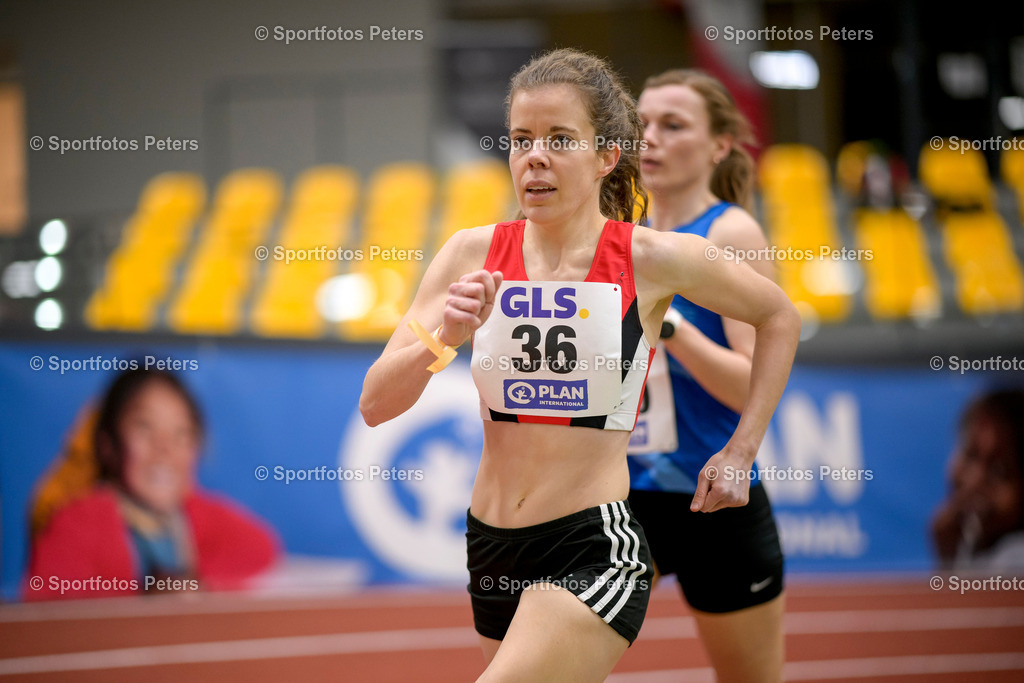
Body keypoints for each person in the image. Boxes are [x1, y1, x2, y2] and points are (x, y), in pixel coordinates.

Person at [359, 49, 799, 682]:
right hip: (491, 544)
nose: (534, 156)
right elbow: (376, 404)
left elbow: (780, 317)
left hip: (593, 546)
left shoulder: (651, 258)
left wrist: (740, 452)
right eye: (520, 140)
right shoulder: (470, 253)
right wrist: (446, 337)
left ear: (606, 157)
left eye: (560, 139)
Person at [627, 68, 786, 683]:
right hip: (618, 496)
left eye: (672, 125)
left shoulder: (729, 232)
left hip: (710, 496)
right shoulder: (619, 234)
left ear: (720, 145)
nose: (650, 139)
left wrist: (671, 330)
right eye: (640, 124)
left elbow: (752, 384)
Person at [26, 368, 280, 600]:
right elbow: (48, 604)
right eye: (144, 428)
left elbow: (262, 547)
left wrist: (192, 584)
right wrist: (145, 594)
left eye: (181, 433)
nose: (164, 449)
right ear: (108, 446)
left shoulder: (195, 515)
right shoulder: (77, 523)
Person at [932, 389, 1024, 571]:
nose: (975, 482)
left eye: (1000, 472)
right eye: (970, 455)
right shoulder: (969, 543)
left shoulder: (1013, 561)